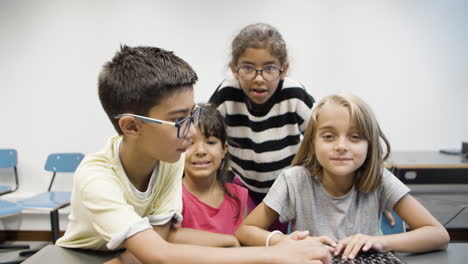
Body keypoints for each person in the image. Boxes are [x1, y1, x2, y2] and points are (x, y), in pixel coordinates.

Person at [56, 45, 331, 264]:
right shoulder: (95, 176)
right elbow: (158, 254)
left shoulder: (169, 161)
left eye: (193, 114)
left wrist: (239, 243)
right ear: (131, 126)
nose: (190, 133)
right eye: (179, 120)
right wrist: (275, 255)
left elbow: (159, 242)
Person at [235, 94, 450, 260]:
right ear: (312, 142)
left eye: (355, 137)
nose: (341, 146)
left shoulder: (378, 178)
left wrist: (379, 241)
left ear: (369, 144)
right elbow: (244, 231)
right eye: (329, 136)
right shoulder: (293, 180)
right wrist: (284, 241)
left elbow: (438, 235)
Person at [208, 23, 315, 232]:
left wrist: (360, 187)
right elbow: (201, 134)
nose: (259, 79)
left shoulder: (294, 95)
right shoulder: (227, 93)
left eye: (269, 68)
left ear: (283, 69)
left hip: (285, 189)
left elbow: (322, 137)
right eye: (248, 68)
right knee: (244, 238)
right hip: (244, 187)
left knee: (277, 240)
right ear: (234, 69)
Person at [182, 104, 248, 236]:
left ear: (224, 149)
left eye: (211, 142)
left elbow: (244, 247)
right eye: (190, 142)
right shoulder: (172, 197)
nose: (200, 151)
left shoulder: (238, 197)